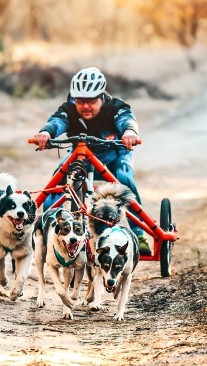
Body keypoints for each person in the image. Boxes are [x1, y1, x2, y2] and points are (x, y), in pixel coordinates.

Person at [31, 66, 151, 255]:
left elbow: (127, 120)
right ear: (74, 99)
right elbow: (57, 121)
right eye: (80, 101)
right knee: (57, 180)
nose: (85, 106)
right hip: (81, 155)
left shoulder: (115, 107)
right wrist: (45, 133)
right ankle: (50, 228)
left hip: (116, 153)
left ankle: (140, 234)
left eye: (91, 101)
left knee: (124, 178)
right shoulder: (69, 110)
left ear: (101, 96)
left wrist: (129, 132)